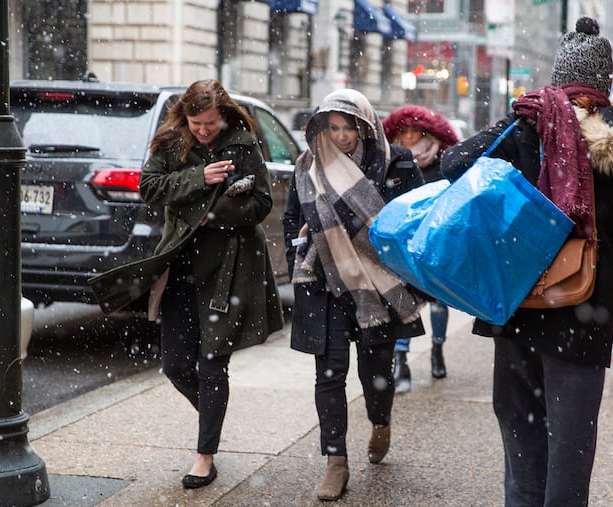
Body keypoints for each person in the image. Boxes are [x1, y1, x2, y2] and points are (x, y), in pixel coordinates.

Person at [440, 18, 613, 505]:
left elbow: (454, 164)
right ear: (606, 81)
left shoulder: (530, 122)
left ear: (558, 75)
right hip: (585, 316)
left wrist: (519, 121)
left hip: (520, 306)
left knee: (522, 458)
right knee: (569, 455)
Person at [137, 79, 284, 489]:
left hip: (227, 269)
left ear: (225, 115)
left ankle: (205, 455)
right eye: (196, 122)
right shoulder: (170, 142)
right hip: (178, 265)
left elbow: (261, 203)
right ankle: (212, 416)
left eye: (211, 123)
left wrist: (214, 215)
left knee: (213, 361)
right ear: (184, 116)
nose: (203, 130)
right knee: (175, 365)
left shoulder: (241, 141)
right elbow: (149, 189)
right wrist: (200, 178)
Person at [283, 89, 426, 501]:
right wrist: (305, 241)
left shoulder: (394, 161)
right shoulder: (307, 165)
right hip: (323, 280)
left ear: (365, 127)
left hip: (376, 283)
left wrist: (366, 236)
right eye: (333, 127)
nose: (342, 136)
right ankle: (335, 462)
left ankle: (380, 420)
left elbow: (411, 217)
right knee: (329, 373)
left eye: (349, 128)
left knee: (375, 370)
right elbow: (293, 217)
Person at [382, 105, 459, 391]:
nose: (412, 136)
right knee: (405, 301)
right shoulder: (395, 160)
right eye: (406, 131)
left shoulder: (441, 160)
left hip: (437, 240)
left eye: (417, 130)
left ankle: (437, 349)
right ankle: (401, 359)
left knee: (439, 301)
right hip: (405, 242)